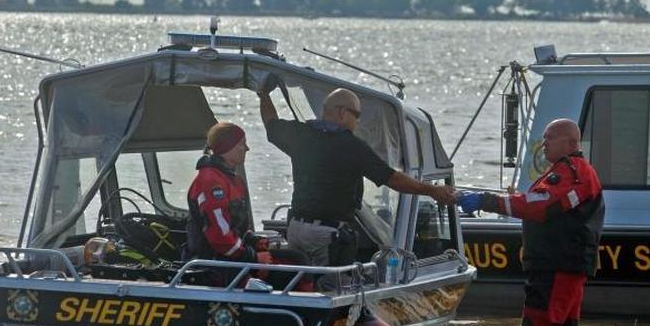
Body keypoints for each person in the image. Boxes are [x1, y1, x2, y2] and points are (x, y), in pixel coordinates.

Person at [457, 118, 603, 326]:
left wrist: (488, 201)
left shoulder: (573, 172)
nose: (543, 143)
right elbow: (539, 202)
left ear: (570, 143)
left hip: (557, 268)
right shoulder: (567, 171)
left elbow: (540, 206)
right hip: (561, 267)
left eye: (550, 138)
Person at [259, 86, 456, 265]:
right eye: (357, 115)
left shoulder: (300, 134)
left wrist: (264, 94)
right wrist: (432, 189)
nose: (358, 120)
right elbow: (392, 178)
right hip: (326, 235)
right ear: (343, 112)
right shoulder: (352, 146)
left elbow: (271, 123)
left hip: (295, 230)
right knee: (333, 287)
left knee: (302, 282)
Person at [186, 122, 272, 270]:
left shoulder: (233, 180)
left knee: (295, 258)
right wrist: (253, 257)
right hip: (217, 266)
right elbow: (219, 236)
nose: (247, 149)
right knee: (294, 269)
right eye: (242, 144)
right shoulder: (211, 183)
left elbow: (234, 226)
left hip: (233, 259)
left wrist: (252, 240)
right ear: (227, 148)